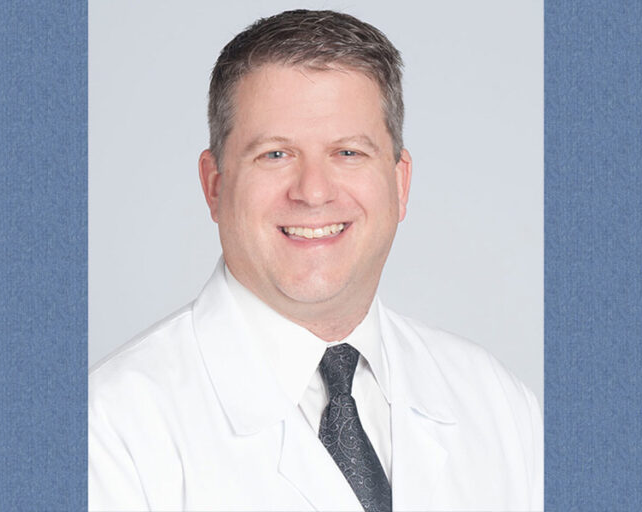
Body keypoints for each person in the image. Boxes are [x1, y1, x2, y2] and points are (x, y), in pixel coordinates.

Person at [89, 9, 542, 512]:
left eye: (348, 153)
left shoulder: (498, 406)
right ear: (214, 185)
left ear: (399, 183)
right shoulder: (108, 431)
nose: (313, 191)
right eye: (275, 154)